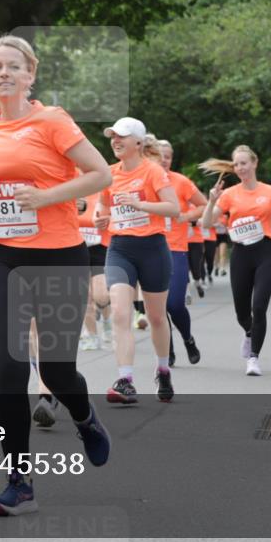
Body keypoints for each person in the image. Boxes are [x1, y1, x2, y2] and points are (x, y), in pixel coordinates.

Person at [0, 35, 112, 516]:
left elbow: (100, 174)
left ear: (30, 74)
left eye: (12, 66)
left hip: (58, 255)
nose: (3, 73)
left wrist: (46, 197)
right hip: (2, 255)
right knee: (10, 368)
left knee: (57, 370)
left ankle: (84, 416)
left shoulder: (53, 120)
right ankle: (19, 483)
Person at [94, 120, 180, 403]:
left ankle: (163, 369)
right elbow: (103, 204)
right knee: (120, 312)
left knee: (156, 316)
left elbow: (173, 208)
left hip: (152, 248)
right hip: (120, 248)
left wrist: (140, 204)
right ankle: (125, 380)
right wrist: (100, 215)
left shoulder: (153, 172)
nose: (115, 141)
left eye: (122, 137)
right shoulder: (108, 173)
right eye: (113, 137)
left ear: (139, 143)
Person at [198, 146, 271, 376]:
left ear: (254, 163)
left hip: (265, 252)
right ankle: (248, 332)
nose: (240, 168)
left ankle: (254, 358)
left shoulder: (270, 191)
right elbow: (206, 223)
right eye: (236, 164)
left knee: (259, 307)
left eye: (244, 163)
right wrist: (211, 201)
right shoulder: (229, 194)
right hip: (241, 254)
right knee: (242, 312)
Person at [157, 139, 205, 364]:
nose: (164, 160)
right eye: (159, 155)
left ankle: (187, 338)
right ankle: (168, 349)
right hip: (151, 249)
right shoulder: (144, 181)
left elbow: (203, 206)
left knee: (174, 303)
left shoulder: (181, 182)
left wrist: (186, 216)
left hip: (176, 249)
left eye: (167, 156)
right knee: (158, 306)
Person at [76, 186, 111, 351]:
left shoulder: (101, 189)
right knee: (84, 295)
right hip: (77, 246)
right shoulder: (71, 189)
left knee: (101, 296)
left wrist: (105, 220)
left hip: (100, 247)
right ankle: (92, 336)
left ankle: (106, 321)